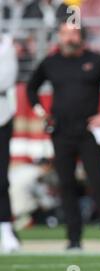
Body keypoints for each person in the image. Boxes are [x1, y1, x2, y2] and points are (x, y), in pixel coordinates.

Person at [26, 22, 100, 250]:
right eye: (64, 34)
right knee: (66, 184)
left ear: (81, 36)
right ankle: (73, 239)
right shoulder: (51, 62)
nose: (68, 38)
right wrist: (42, 113)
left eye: (73, 34)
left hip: (88, 131)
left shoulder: (96, 60)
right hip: (61, 132)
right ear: (58, 37)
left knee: (98, 182)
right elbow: (31, 88)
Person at [0, 32, 21, 253]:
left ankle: (6, 230)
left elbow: (5, 79)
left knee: (1, 179)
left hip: (1, 118)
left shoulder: (6, 45)